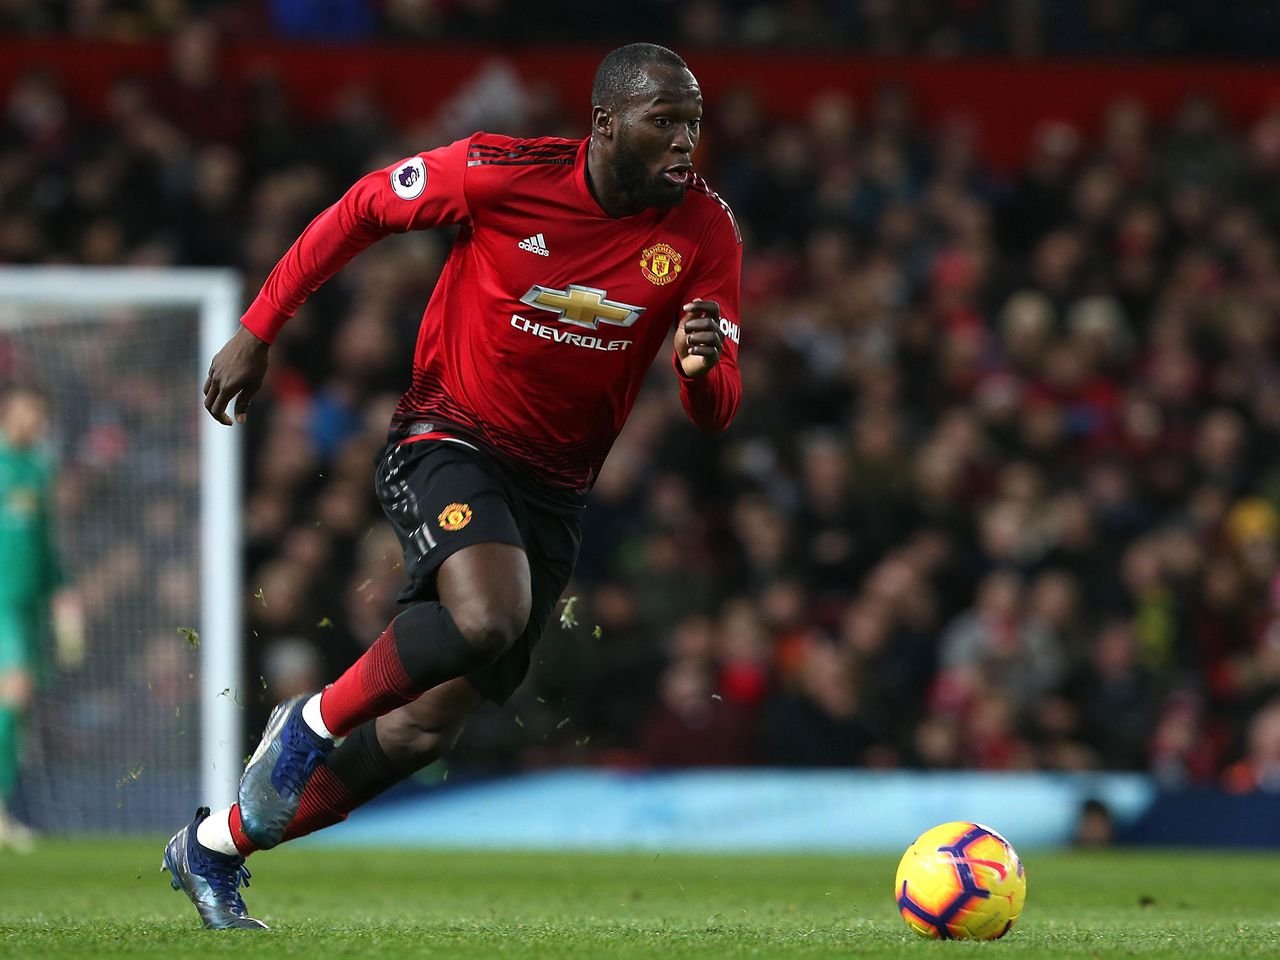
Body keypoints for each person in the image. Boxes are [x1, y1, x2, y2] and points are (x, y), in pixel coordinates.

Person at [162, 42, 742, 929]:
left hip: (554, 491)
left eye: (692, 124)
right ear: (605, 123)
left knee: (421, 730)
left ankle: (216, 846)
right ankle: (309, 724)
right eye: (663, 121)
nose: (683, 142)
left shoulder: (706, 230)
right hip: (448, 433)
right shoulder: (502, 172)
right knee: (489, 615)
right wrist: (259, 327)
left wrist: (700, 374)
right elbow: (362, 207)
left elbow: (716, 407)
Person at [0, 385, 82, 852]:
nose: (32, 421)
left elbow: (46, 542)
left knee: (18, 705)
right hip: (2, 602)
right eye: (25, 411)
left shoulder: (37, 468)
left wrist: (64, 595)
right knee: (13, 695)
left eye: (39, 413)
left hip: (29, 604)